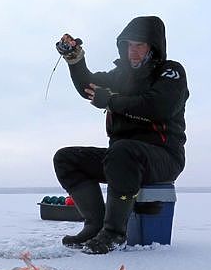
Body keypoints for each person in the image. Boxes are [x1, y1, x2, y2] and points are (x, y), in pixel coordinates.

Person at [53, 16, 189, 254]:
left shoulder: (170, 72)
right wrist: (75, 59)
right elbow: (88, 85)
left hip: (163, 157)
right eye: (129, 45)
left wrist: (112, 101)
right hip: (122, 159)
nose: (133, 52)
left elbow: (159, 106)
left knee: (122, 150)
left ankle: (114, 233)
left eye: (140, 45)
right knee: (66, 158)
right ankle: (95, 226)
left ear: (153, 46)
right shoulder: (119, 77)